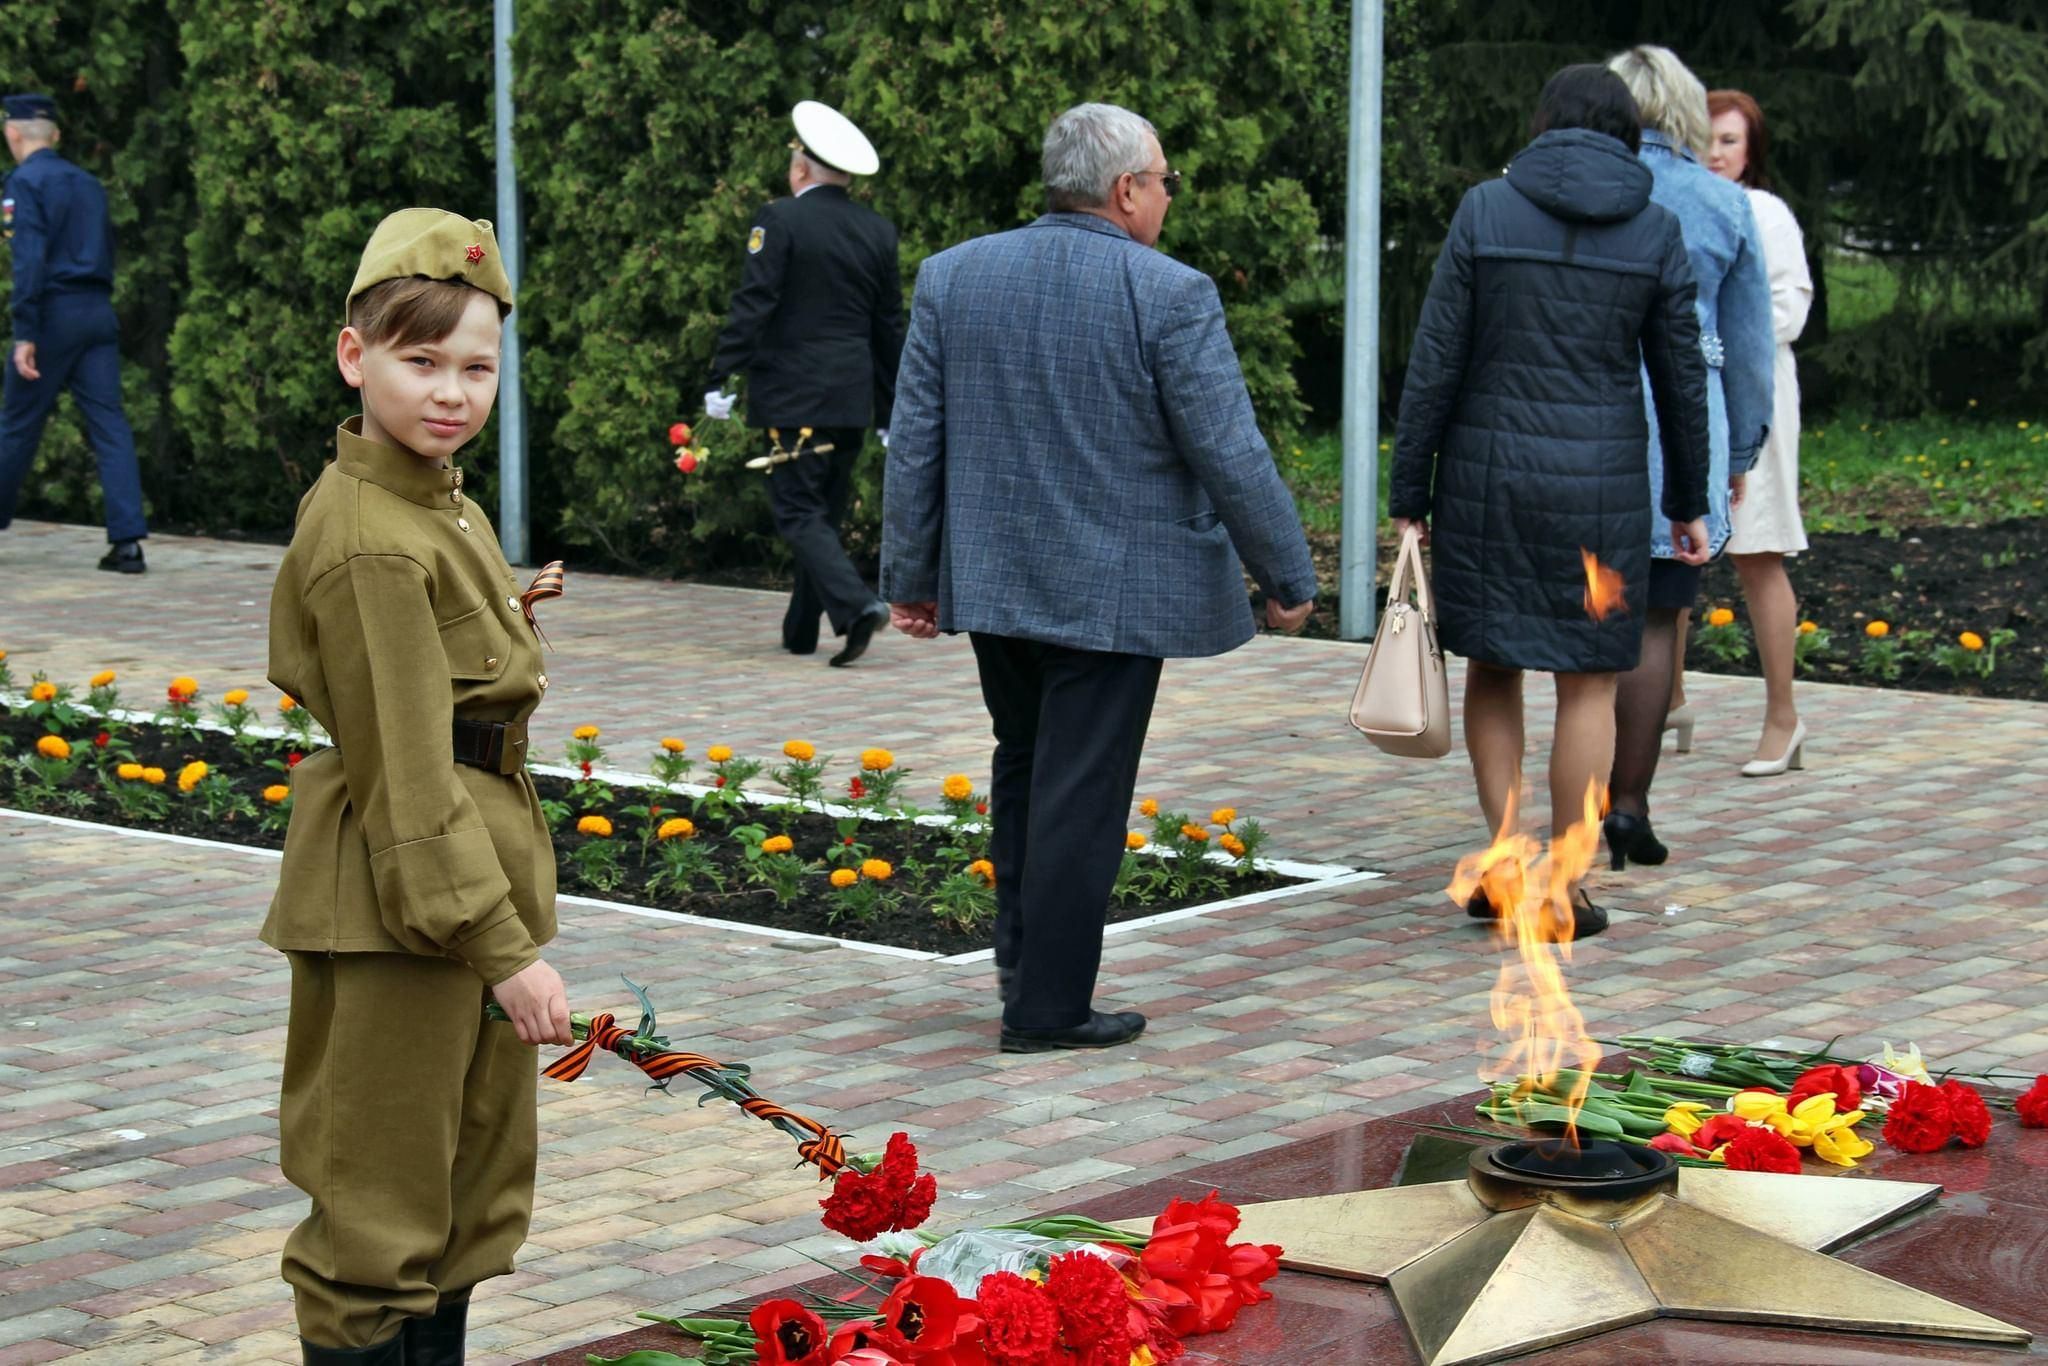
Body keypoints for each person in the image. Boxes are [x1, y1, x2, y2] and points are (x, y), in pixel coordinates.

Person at [882, 102, 1316, 1051]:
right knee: (1080, 790)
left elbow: (916, 442)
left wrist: (911, 573)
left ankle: (1025, 976)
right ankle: (1048, 1008)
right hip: (1114, 596)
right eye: (1162, 181)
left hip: (997, 586)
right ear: (1125, 190)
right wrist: (1287, 571)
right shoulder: (1168, 293)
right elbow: (1229, 449)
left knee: (1027, 767)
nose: (1166, 197)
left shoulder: (955, 278)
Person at [264, 209, 572, 1366]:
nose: (452, 391)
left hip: (453, 889)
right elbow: (402, 777)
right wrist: (503, 949)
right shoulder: (372, 538)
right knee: (378, 1224)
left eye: (476, 366)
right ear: (356, 356)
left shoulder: (435, 500)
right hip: (406, 911)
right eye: (421, 359)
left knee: (459, 1205)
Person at [1389, 65, 1713, 939]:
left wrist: (1408, 491)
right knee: (1589, 681)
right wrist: (1689, 501)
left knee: (1495, 666)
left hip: (1489, 485)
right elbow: (1681, 381)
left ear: (1541, 124)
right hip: (1602, 497)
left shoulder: (1484, 214)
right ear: (1628, 136)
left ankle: (1504, 859)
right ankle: (1566, 884)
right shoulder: (1654, 230)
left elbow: (1436, 362)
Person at [1601, 46, 1774, 870]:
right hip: (1682, 426)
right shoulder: (1720, 203)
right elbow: (1748, 349)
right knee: (1659, 611)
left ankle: (1564, 799)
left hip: (1581, 419)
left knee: (1584, 610)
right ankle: (1627, 802)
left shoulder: (1588, 189)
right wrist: (1740, 448)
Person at [703, 100, 903, 667]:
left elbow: (755, 302)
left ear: (800, 169)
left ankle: (858, 607)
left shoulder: (780, 218)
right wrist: (890, 410)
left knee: (797, 513)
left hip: (794, 398)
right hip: (851, 399)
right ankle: (800, 630)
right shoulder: (877, 231)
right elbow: (889, 329)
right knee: (823, 517)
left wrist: (721, 373)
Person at [1702, 88, 1813, 777]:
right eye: (1706, 138)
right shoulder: (1676, 205)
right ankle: (1670, 700)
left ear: (1752, 151)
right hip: (1683, 400)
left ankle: (1783, 717)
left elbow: (1787, 310)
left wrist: (1709, 344)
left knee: (1755, 550)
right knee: (1670, 553)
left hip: (1752, 398)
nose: (1715, 153)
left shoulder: (1765, 214)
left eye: (1730, 141)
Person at [0, 93, 148, 572]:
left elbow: (28, 260)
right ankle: (128, 545)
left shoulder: (22, 183)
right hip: (96, 313)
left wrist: (25, 332)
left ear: (13, 133)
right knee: (110, 425)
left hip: (52, 317)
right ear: (56, 135)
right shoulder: (88, 184)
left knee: (17, 425)